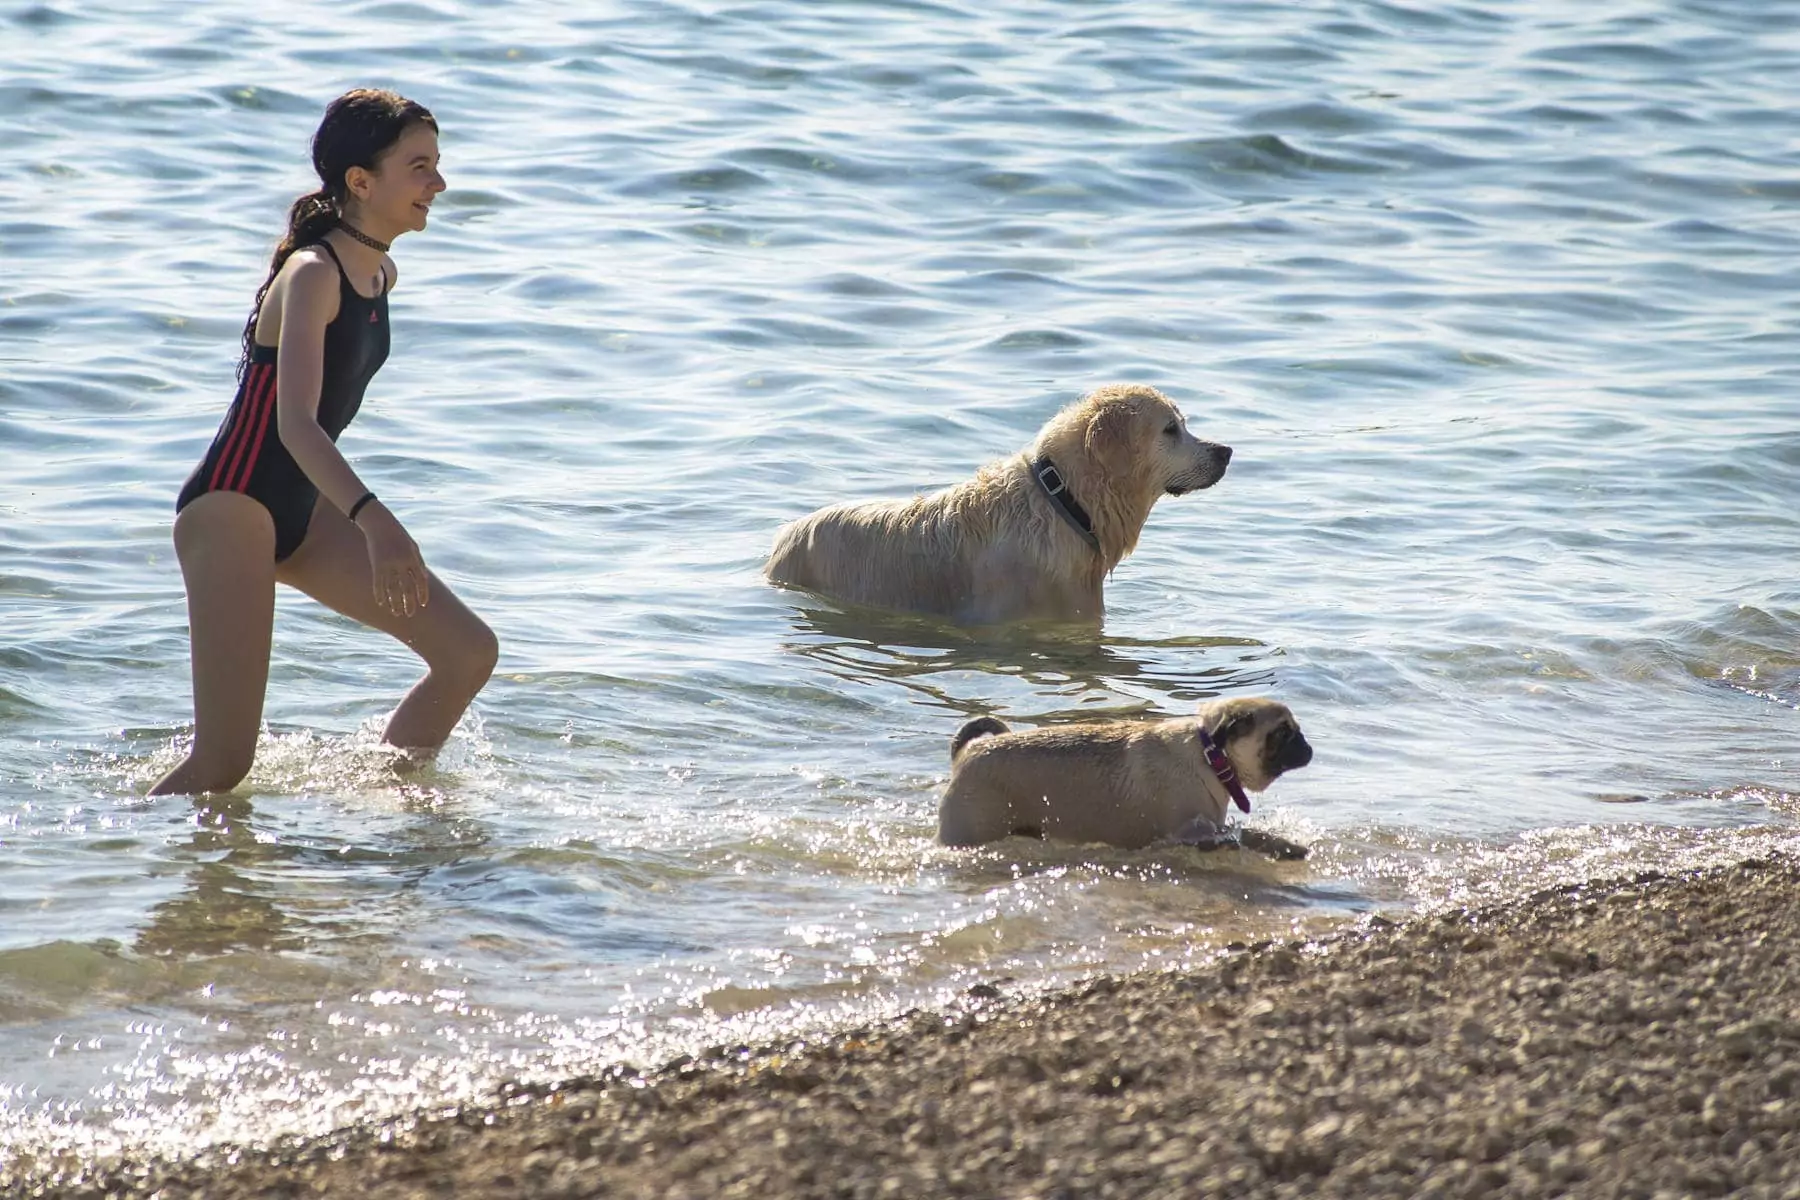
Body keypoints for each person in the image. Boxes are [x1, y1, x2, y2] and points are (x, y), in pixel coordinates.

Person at [151, 89, 497, 796]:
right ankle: (107, 864)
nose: (439, 183)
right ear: (361, 182)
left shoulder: (378, 273)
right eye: (420, 166)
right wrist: (379, 524)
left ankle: (380, 814)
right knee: (223, 764)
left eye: (438, 164)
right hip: (231, 511)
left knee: (466, 653)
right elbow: (294, 424)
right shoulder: (313, 275)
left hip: (301, 514)